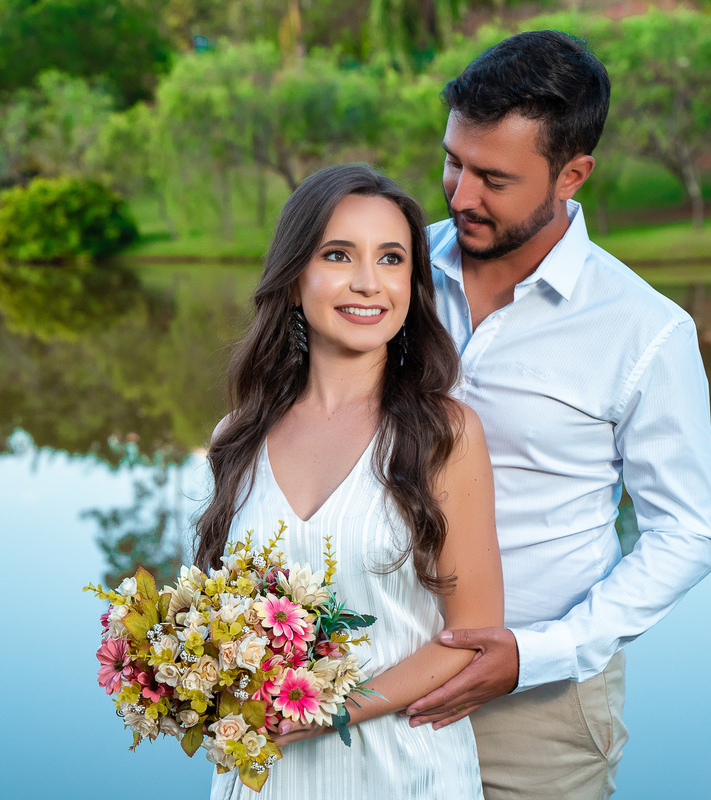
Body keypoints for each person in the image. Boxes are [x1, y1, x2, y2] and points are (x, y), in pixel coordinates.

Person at [401, 31, 711, 799]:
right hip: (375, 668)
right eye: (452, 160)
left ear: (571, 175)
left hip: (536, 710)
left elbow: (688, 532)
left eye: (493, 177)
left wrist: (543, 651)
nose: (458, 194)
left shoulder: (645, 332)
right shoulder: (393, 273)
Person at [193, 163, 505, 800]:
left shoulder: (445, 434)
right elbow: (208, 624)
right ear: (293, 278)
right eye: (339, 254)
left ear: (411, 285)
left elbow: (470, 638)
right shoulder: (235, 439)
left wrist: (326, 712)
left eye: (391, 259)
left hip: (405, 774)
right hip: (263, 779)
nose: (369, 282)